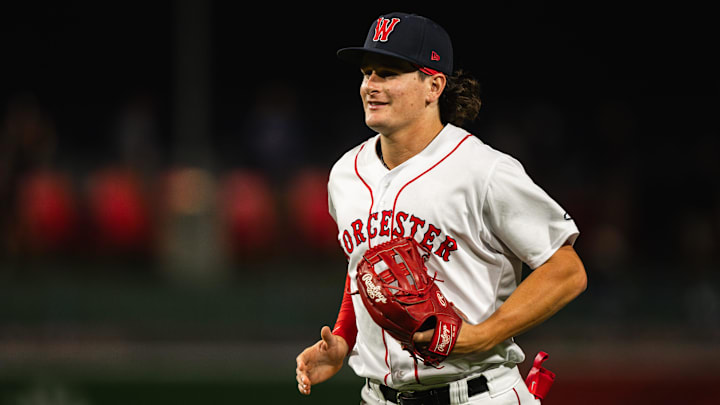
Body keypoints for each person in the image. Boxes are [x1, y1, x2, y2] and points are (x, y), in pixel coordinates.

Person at [296, 12, 587, 405]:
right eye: (367, 73)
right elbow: (362, 268)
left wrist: (484, 334)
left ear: (433, 85)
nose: (371, 86)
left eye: (389, 73)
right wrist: (344, 338)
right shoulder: (345, 173)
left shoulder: (483, 170)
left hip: (477, 393)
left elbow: (566, 269)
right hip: (378, 396)